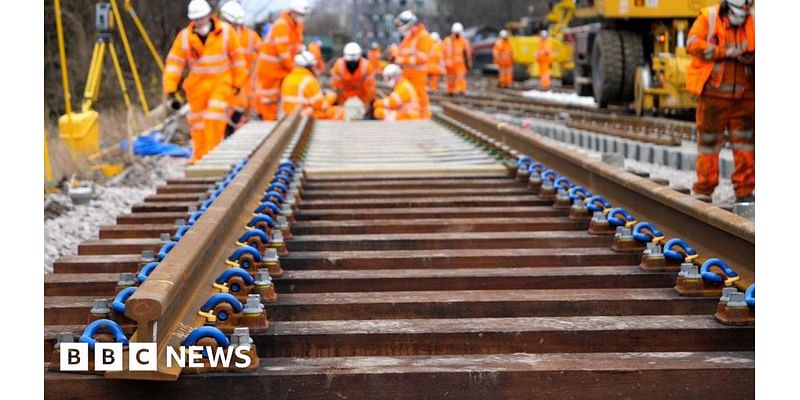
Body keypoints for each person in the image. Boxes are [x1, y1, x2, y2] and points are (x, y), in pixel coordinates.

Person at [685, 0, 754, 203]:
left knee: (746, 146)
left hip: (744, 97)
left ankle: (745, 191)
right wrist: (723, 52)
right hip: (713, 96)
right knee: (708, 144)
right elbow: (693, 44)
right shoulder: (709, 17)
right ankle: (704, 190)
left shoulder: (754, 20)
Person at [163, 0, 245, 163]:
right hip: (196, 87)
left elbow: (238, 59)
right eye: (196, 18)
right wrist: (171, 88)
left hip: (220, 83)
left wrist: (237, 82)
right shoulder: (185, 37)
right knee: (198, 123)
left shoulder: (226, 32)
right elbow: (174, 63)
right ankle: (199, 156)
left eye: (201, 17)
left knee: (214, 118)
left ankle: (212, 155)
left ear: (209, 15)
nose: (199, 21)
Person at [255, 0, 309, 120]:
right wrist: (295, 69)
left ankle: (272, 119)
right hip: (270, 69)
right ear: (292, 13)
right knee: (269, 98)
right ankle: (266, 121)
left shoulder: (296, 27)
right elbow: (283, 53)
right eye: (300, 14)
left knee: (277, 97)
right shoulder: (282, 25)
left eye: (303, 15)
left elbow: (296, 47)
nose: (302, 17)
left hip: (281, 69)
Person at [220, 1, 261, 137]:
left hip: (244, 83)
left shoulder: (250, 36)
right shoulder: (217, 35)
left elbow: (263, 53)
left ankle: (233, 136)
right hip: (225, 82)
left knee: (240, 111)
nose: (236, 27)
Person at [280, 50, 344, 120]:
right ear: (309, 67)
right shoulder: (309, 81)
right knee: (339, 111)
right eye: (313, 66)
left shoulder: (287, 78)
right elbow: (321, 105)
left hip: (290, 116)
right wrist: (332, 97)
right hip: (305, 116)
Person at [394, 10, 432, 118]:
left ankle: (424, 118)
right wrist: (395, 53)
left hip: (418, 74)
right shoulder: (408, 38)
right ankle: (414, 117)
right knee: (410, 97)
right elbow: (401, 52)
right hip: (407, 73)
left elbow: (423, 57)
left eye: (401, 25)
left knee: (419, 96)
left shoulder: (423, 36)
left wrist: (402, 60)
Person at [330, 42, 376, 107]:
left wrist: (365, 105)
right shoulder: (338, 66)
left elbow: (369, 90)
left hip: (361, 98)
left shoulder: (367, 67)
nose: (352, 64)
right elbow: (336, 88)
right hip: (344, 98)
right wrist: (342, 104)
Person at [443, 22, 472, 95]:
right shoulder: (447, 41)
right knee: (451, 80)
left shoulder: (464, 42)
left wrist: (468, 63)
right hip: (450, 65)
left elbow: (467, 53)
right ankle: (451, 91)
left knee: (460, 79)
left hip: (460, 65)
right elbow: (442, 52)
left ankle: (459, 90)